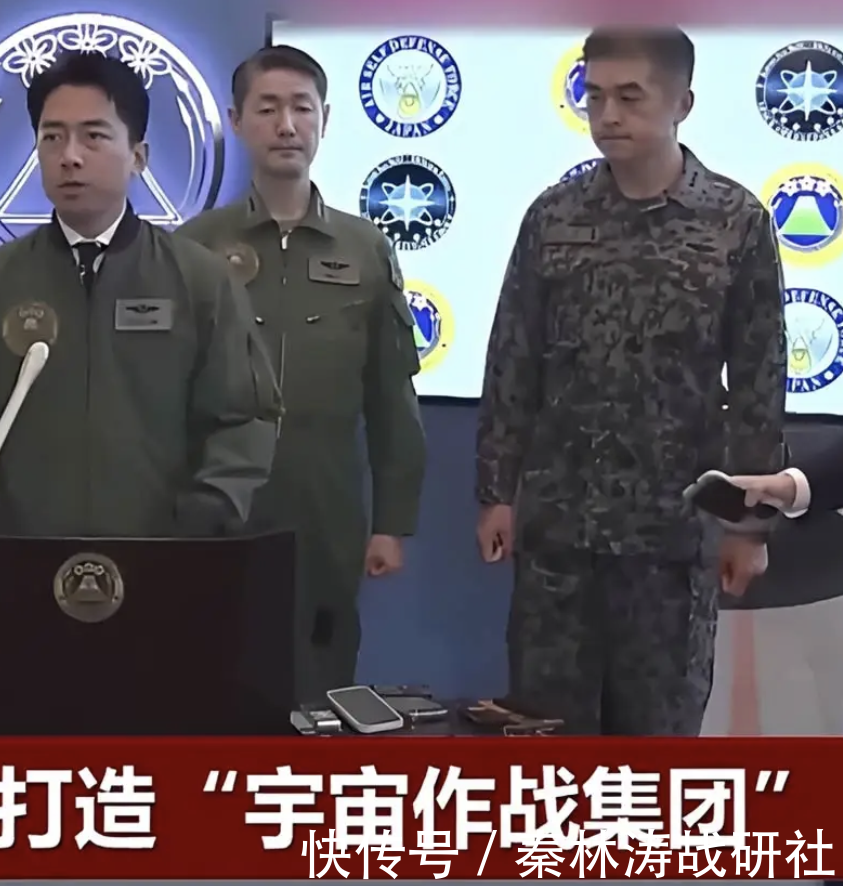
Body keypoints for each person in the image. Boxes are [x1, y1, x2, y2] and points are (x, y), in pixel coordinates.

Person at [475, 27, 785, 735]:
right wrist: (496, 491)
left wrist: (749, 525)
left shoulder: (736, 223)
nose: (607, 115)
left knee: (657, 743)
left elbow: (759, 383)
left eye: (629, 97)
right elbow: (513, 359)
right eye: (594, 97)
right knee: (547, 738)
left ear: (682, 104)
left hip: (670, 539)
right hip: (560, 534)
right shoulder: (553, 217)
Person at [0, 52, 280, 538]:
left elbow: (243, 418)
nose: (70, 156)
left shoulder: (201, 282)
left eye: (93, 136)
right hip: (17, 561)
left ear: (138, 156)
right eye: (52, 137)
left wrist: (205, 512)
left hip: (167, 559)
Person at [177, 46, 426, 701]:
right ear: (237, 121)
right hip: (218, 510)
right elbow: (164, 392)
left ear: (325, 120)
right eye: (268, 108)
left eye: (301, 108)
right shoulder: (195, 246)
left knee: (319, 687)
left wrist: (391, 522)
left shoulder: (365, 248)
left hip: (326, 512)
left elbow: (391, 395)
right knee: (211, 682)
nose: (286, 125)